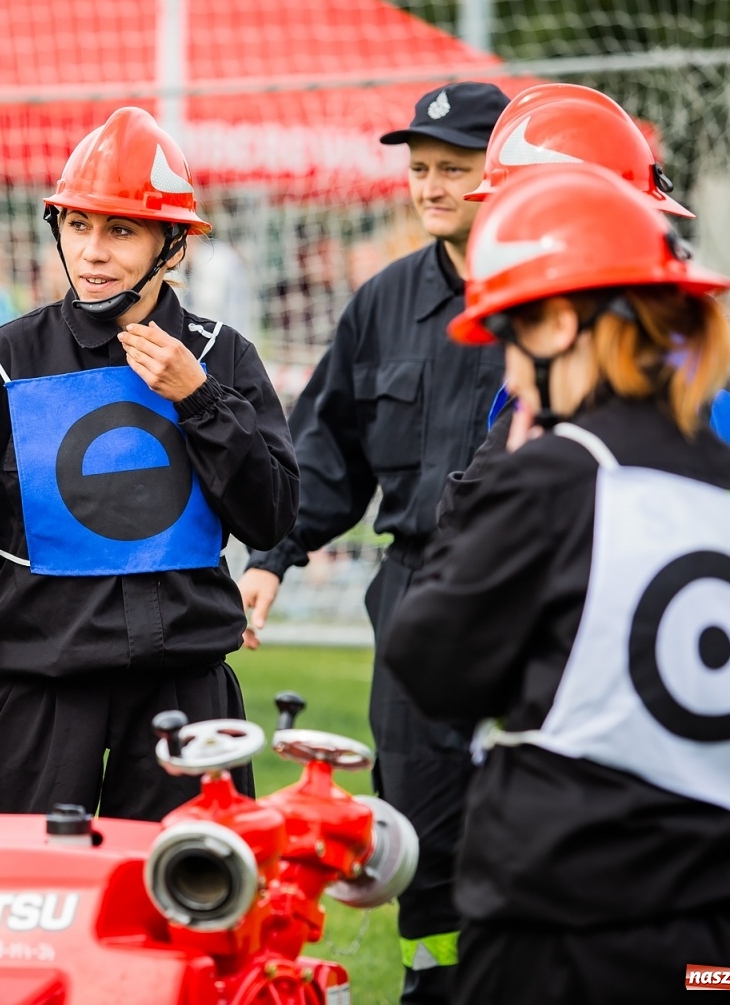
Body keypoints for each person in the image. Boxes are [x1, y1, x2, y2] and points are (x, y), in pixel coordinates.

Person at [382, 164, 730, 1004]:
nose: (511, 377)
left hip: (568, 937)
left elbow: (427, 660)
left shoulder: (561, 472)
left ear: (559, 325)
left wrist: (494, 484)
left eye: (511, 340)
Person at [0, 106, 296, 822]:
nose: (92, 252)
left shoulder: (222, 356)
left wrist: (198, 398)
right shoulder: (5, 358)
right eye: (77, 225)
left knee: (182, 889)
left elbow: (272, 515)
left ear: (173, 247)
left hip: (185, 693)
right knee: (21, 887)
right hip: (39, 689)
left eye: (120, 230)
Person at [237, 80, 512, 1004]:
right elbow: (324, 455)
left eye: (455, 168)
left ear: (505, 173)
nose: (432, 185)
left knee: (539, 813)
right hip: (415, 599)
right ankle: (435, 986)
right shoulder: (382, 303)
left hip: (537, 596)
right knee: (420, 819)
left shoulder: (564, 297)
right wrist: (272, 557)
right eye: (421, 168)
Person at [456, 82, 730, 485]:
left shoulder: (572, 357)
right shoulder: (702, 325)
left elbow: (470, 506)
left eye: (519, 210)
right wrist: (719, 499)